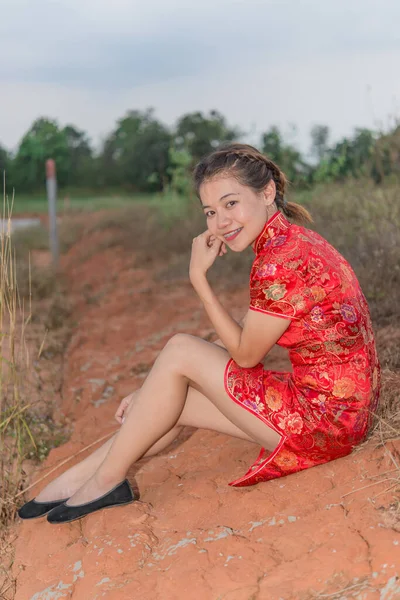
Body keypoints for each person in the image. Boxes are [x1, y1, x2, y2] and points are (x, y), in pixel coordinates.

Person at [18, 143, 381, 524]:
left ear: (267, 192)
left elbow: (244, 356)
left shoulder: (279, 261)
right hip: (342, 417)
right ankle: (80, 478)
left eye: (230, 203)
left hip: (325, 424)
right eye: (210, 212)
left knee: (179, 348)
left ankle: (106, 481)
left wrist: (198, 280)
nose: (221, 222)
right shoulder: (294, 241)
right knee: (172, 401)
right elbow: (245, 334)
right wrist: (152, 388)